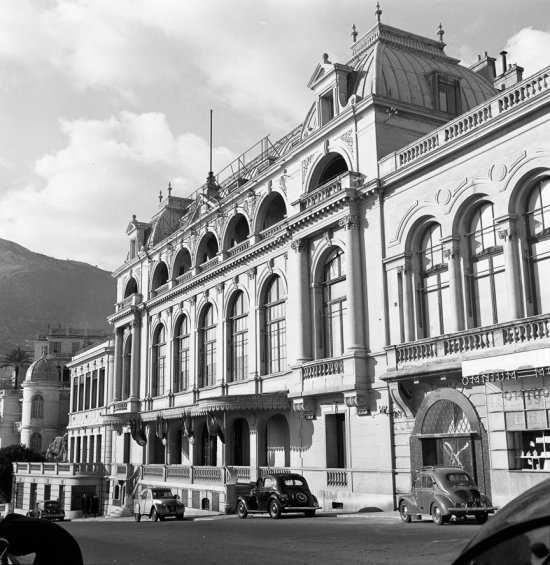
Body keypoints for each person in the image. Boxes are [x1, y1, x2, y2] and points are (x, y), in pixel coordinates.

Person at [0, 513, 83, 565]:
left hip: (57, 547)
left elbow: (2, 556)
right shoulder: (10, 523)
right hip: (60, 543)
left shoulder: (4, 532)